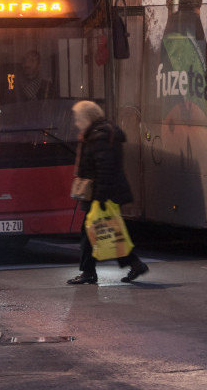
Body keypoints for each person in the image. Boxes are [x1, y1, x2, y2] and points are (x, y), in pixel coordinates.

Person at [68, 100, 149, 285]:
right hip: (102, 192)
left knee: (93, 232)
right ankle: (133, 264)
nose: (76, 122)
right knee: (108, 232)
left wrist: (101, 197)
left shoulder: (100, 136)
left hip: (102, 194)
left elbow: (105, 168)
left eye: (78, 118)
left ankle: (89, 272)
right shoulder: (98, 133)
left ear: (87, 117)